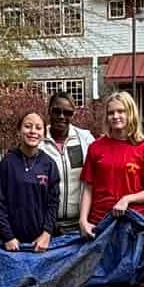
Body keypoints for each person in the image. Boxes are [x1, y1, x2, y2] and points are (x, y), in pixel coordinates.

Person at [79, 92, 144, 237]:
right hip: (99, 223)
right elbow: (88, 188)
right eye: (111, 113)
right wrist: (83, 220)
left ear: (131, 113)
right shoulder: (95, 147)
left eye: (121, 111)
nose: (115, 116)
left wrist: (127, 199)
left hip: (132, 225)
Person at [0, 111, 58, 251]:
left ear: (44, 133)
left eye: (38, 128)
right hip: (11, 243)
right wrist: (8, 236)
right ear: (19, 130)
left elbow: (53, 204)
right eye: (28, 126)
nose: (33, 131)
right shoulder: (7, 163)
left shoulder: (49, 164)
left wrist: (46, 234)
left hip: (40, 243)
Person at [38, 91, 94, 229]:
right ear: (49, 111)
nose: (61, 117)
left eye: (67, 112)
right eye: (57, 111)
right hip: (45, 223)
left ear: (73, 114)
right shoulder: (38, 140)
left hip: (79, 223)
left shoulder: (85, 139)